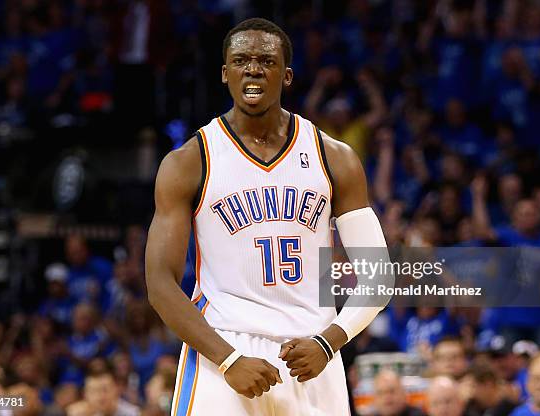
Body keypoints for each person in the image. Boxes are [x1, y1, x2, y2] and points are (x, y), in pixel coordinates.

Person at [145, 17, 390, 415]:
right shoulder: (190, 161)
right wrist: (226, 359)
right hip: (223, 351)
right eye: (241, 60)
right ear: (225, 74)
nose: (253, 69)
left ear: (287, 75)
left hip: (312, 353)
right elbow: (159, 284)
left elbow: (378, 274)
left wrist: (330, 340)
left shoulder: (335, 157)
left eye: (266, 60)